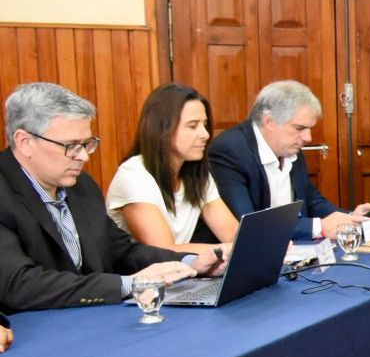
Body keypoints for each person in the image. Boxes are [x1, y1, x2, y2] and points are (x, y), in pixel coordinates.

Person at [0, 82, 213, 312]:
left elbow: (122, 251)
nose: (84, 157)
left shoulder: (81, 185)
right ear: (25, 142)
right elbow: (19, 285)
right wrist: (130, 284)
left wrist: (189, 262)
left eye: (87, 144)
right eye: (71, 146)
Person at [210, 80, 370, 241]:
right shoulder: (229, 151)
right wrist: (318, 226)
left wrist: (350, 218)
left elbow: (311, 199)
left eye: (309, 129)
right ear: (269, 121)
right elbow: (247, 223)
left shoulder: (288, 145)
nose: (308, 137)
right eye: (300, 128)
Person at [106, 83, 239, 254]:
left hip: (183, 267)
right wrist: (227, 250)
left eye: (204, 124)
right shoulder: (133, 175)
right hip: (143, 269)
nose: (205, 134)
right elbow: (163, 250)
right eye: (193, 126)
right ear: (162, 129)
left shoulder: (197, 173)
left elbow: (232, 235)